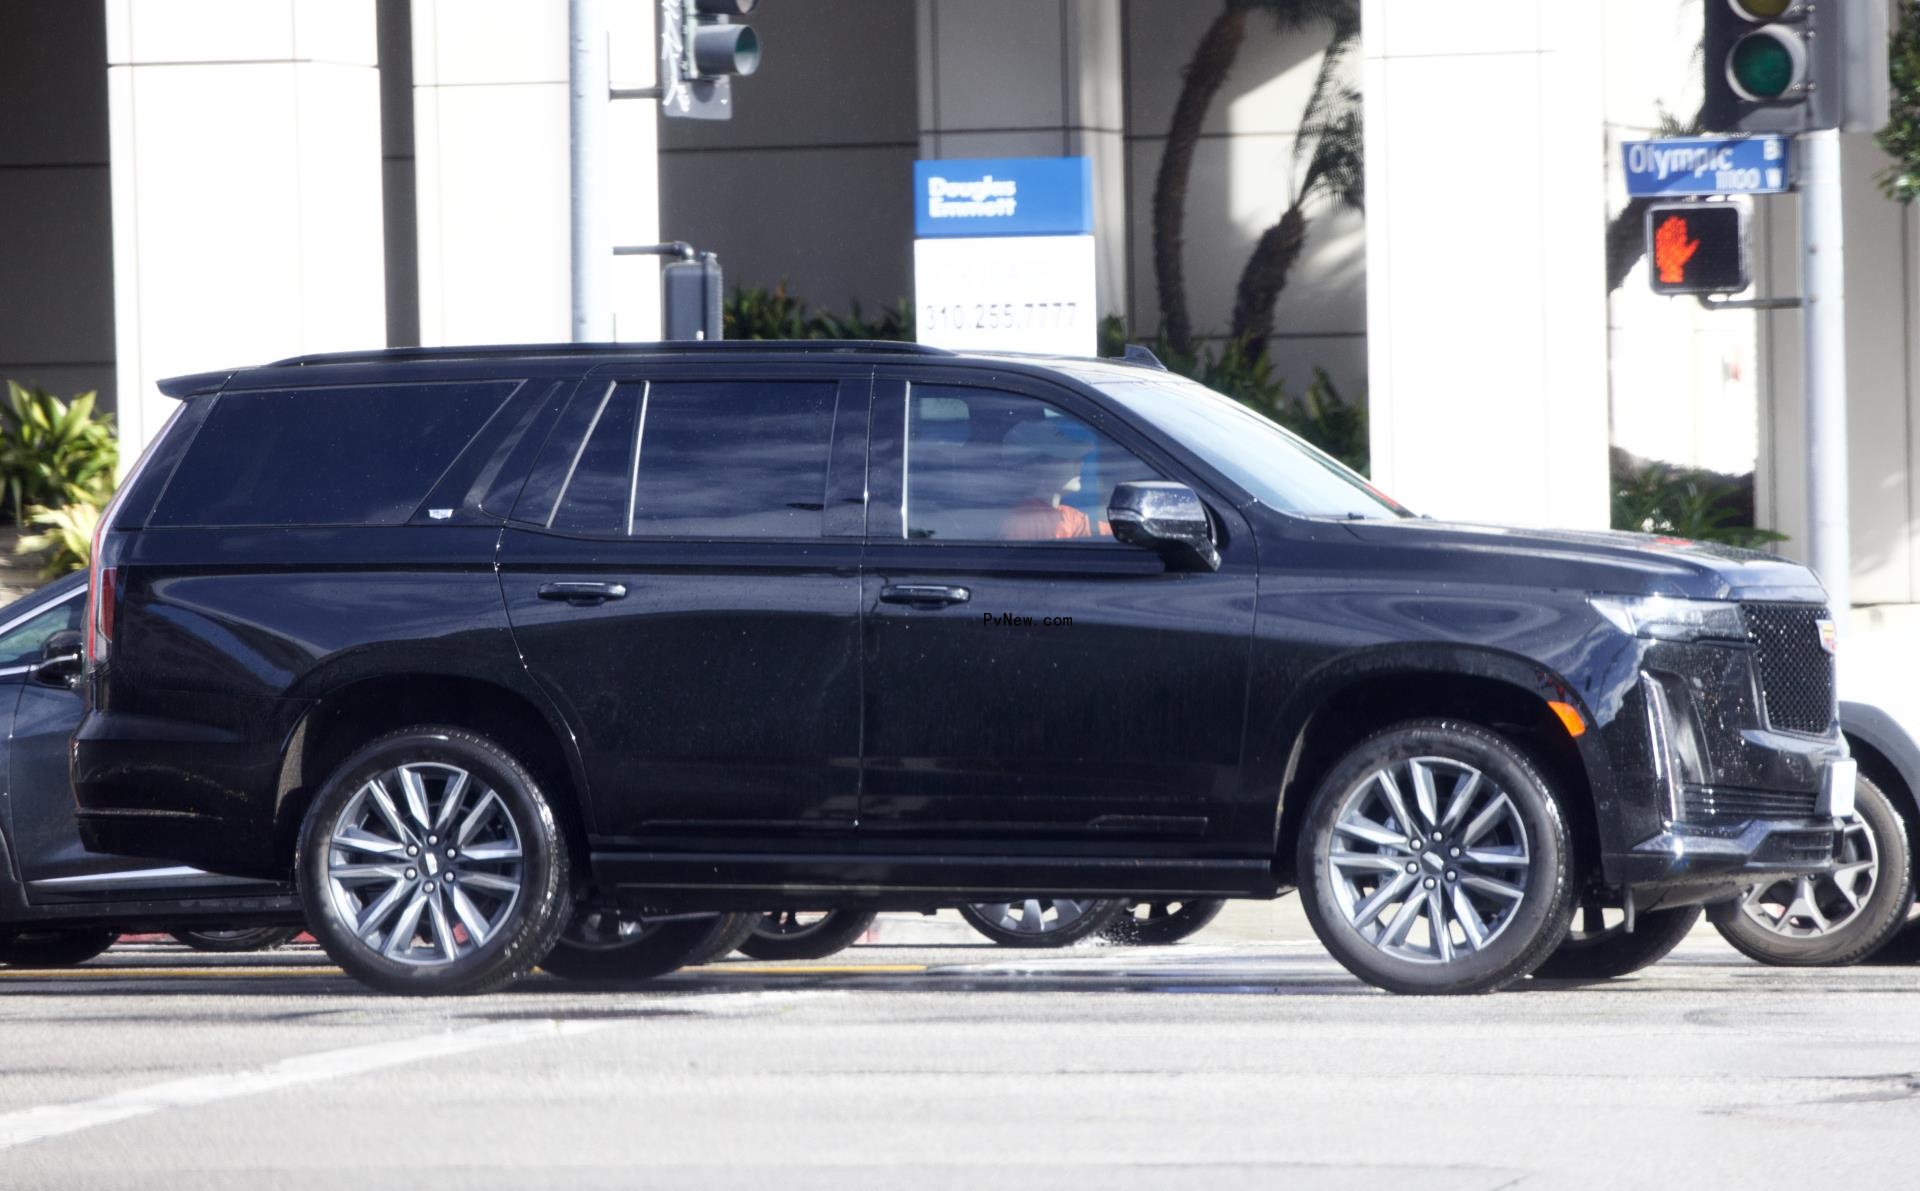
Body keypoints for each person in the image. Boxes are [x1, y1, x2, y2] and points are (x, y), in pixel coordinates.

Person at [997, 417, 1107, 540]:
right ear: (1041, 468)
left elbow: (1112, 532)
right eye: (1067, 458)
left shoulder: (1066, 516)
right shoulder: (1022, 523)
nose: (1080, 463)